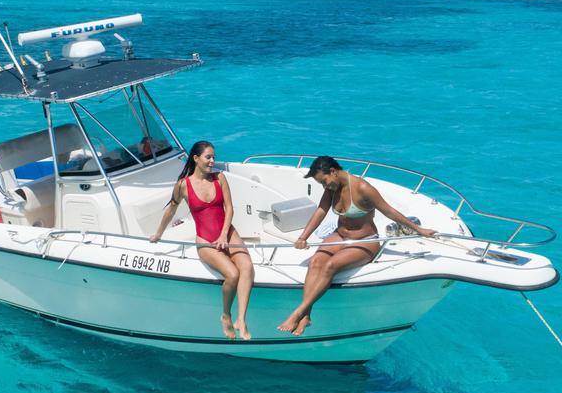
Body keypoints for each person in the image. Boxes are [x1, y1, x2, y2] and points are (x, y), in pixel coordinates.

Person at [278, 156, 436, 336]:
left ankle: (299, 312)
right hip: (340, 235)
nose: (324, 186)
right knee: (315, 262)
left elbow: (389, 211)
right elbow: (321, 211)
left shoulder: (363, 188)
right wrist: (303, 237)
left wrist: (419, 230)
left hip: (365, 240)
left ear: (333, 172)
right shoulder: (332, 187)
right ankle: (307, 316)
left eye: (324, 181)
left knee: (330, 265)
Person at [149, 140, 254, 340]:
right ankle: (226, 315)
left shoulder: (220, 178)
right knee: (232, 274)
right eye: (208, 157)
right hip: (205, 240)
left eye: (214, 157)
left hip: (227, 232)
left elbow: (230, 208)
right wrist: (158, 234)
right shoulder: (183, 185)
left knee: (247, 267)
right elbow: (171, 210)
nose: (212, 161)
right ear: (196, 159)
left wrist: (224, 234)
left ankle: (241, 318)